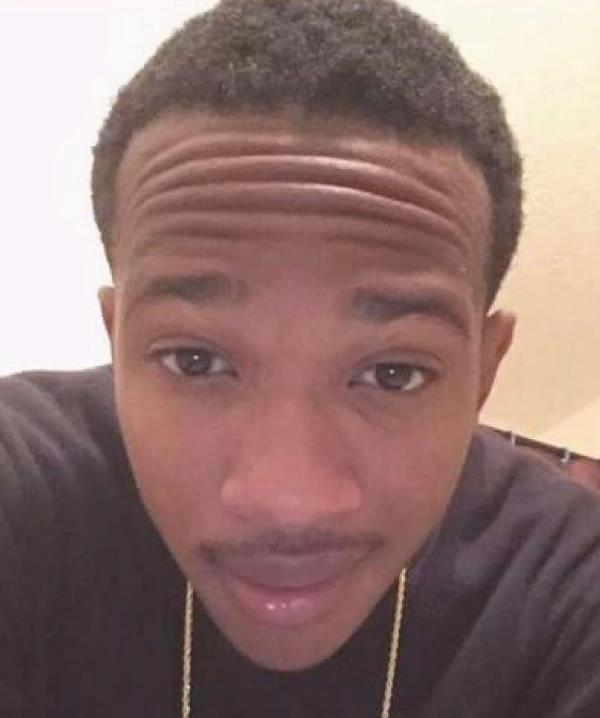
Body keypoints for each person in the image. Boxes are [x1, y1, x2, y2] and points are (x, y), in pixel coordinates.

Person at [1, 0, 599, 716]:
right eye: (195, 360)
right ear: (116, 337)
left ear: (484, 371)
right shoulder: (29, 496)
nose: (288, 498)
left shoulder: (568, 585)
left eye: (392, 374)